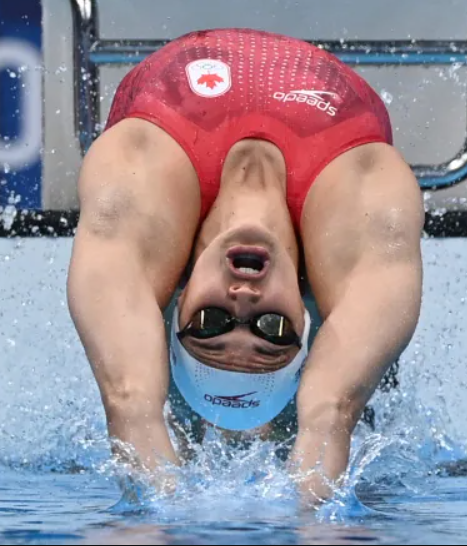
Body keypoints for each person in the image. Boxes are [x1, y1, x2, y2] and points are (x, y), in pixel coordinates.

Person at [65, 28, 424, 503]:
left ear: (176, 301)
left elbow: (130, 402)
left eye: (211, 322)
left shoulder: (138, 184)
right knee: (365, 354)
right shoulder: (367, 206)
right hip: (337, 144)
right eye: (272, 329)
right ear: (306, 319)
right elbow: (331, 410)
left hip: (176, 114)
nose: (243, 297)